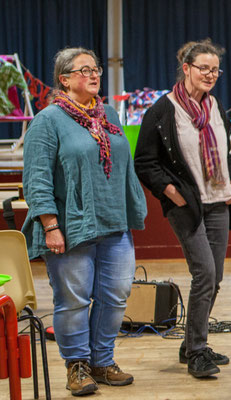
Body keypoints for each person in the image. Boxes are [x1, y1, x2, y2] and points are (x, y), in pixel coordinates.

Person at [22, 47, 146, 396]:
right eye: (85, 70)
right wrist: (50, 225)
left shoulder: (107, 114)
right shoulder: (48, 120)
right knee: (73, 300)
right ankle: (76, 365)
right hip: (71, 227)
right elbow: (37, 179)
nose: (94, 75)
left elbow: (124, 167)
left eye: (96, 70)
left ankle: (102, 361)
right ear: (64, 79)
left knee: (116, 295)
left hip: (114, 222)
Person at [134, 39, 231, 378]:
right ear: (186, 69)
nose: (210, 75)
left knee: (216, 277)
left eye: (215, 70)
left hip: (219, 203)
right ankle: (196, 352)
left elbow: (226, 153)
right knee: (204, 274)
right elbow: (145, 162)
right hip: (188, 207)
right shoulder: (162, 111)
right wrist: (170, 193)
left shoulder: (215, 107)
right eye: (204, 68)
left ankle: (191, 344)